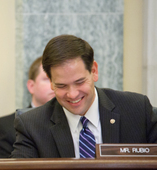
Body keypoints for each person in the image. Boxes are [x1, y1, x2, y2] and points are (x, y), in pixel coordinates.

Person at [11, 34, 157, 158]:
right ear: (51, 82)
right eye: (61, 86)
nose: (72, 94)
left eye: (80, 82)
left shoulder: (137, 109)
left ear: (94, 71)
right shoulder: (31, 125)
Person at [0, 56, 55, 158]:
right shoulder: (4, 127)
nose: (53, 85)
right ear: (31, 86)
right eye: (46, 79)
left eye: (56, 79)